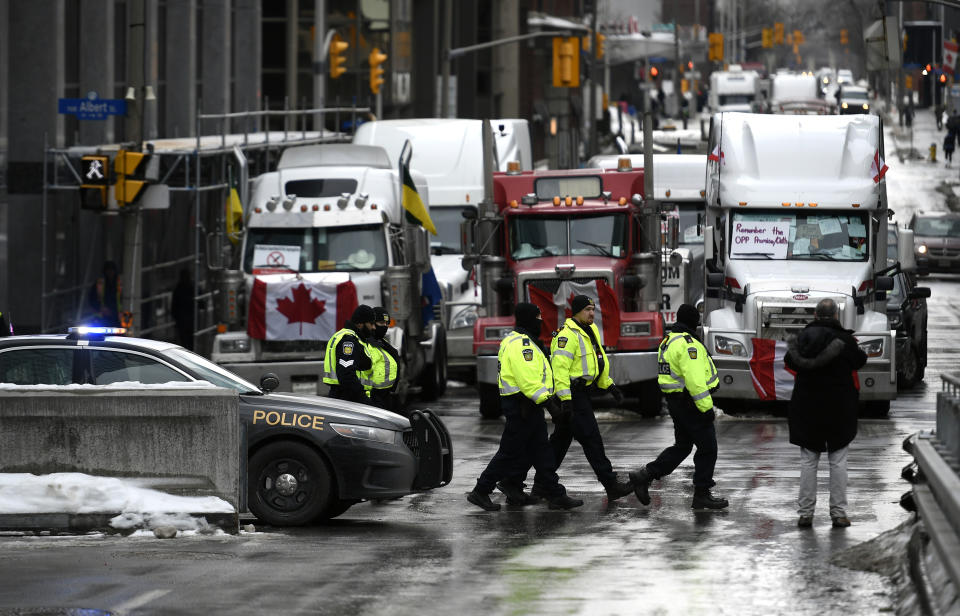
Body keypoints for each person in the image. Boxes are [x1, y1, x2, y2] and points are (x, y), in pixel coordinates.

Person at [466, 303, 583, 512]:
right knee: (509, 453)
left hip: (528, 405)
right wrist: (550, 405)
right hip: (521, 406)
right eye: (538, 318)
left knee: (540, 451)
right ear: (529, 319)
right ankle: (481, 491)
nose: (541, 321)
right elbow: (529, 380)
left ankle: (549, 493)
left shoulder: (524, 341)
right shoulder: (521, 345)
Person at [532, 295, 633, 502]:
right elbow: (559, 371)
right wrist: (566, 400)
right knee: (591, 439)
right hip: (573, 396)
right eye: (587, 309)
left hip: (581, 394)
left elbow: (598, 361)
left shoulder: (591, 330)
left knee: (559, 443)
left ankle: (541, 485)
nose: (592, 314)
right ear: (576, 311)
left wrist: (609, 385)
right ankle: (610, 484)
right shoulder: (566, 336)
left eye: (593, 309)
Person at [629, 304, 728, 510]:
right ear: (693, 322)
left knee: (682, 447)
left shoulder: (669, 341)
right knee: (708, 448)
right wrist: (706, 408)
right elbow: (694, 381)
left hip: (677, 403)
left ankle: (645, 475)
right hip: (691, 403)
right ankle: (701, 493)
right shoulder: (687, 344)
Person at [783, 298, 867, 529]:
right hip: (839, 407)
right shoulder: (846, 340)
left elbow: (789, 362)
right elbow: (860, 361)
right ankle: (838, 514)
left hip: (807, 407)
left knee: (809, 461)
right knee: (838, 461)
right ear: (836, 316)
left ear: (815, 316)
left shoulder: (802, 339)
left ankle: (805, 514)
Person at [323, 305, 376, 404]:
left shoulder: (355, 339)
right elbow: (347, 375)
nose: (373, 327)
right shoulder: (348, 340)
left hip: (347, 398)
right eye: (371, 323)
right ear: (360, 324)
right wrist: (365, 401)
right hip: (347, 400)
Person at [360, 307, 401, 413]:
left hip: (386, 397)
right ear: (372, 323)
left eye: (387, 323)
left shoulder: (384, 344)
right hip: (370, 399)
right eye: (381, 323)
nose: (385, 327)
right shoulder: (363, 343)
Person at [87, 260, 122, 327]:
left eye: (112, 270)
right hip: (102, 318)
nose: (110, 272)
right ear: (105, 271)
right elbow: (92, 299)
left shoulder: (120, 284)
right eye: (108, 270)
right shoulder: (99, 284)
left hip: (117, 319)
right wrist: (101, 309)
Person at [171, 268, 195, 349]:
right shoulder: (192, 287)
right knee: (189, 342)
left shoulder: (178, 289)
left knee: (184, 342)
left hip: (183, 320)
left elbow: (174, 307)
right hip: (189, 319)